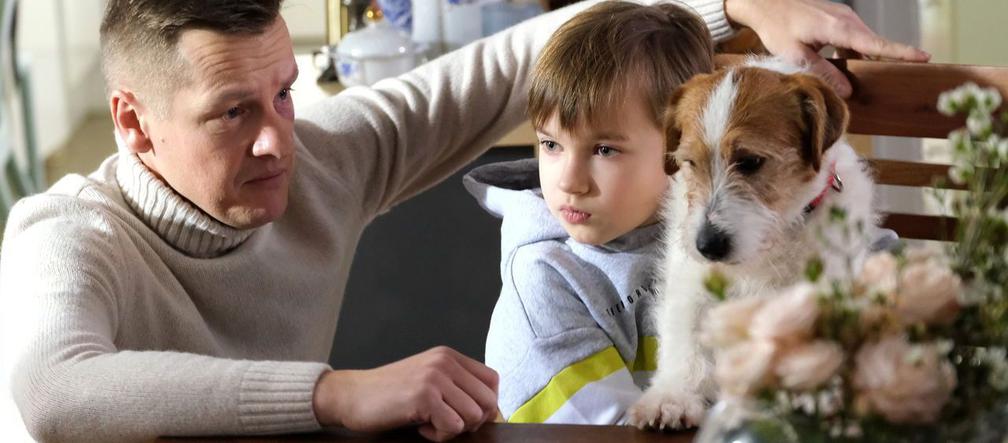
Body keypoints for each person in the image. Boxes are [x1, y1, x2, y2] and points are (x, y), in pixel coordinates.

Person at [0, 0, 928, 441]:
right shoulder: (66, 235)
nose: (280, 139)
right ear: (132, 122)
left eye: (284, 93)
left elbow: (520, 59)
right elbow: (55, 388)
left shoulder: (322, 157)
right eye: (232, 113)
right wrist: (330, 393)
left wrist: (731, 5)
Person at [464, 0, 712, 424]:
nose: (569, 181)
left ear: (683, 145)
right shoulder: (545, 278)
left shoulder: (714, 242)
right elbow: (606, 432)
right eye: (551, 145)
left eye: (603, 150)